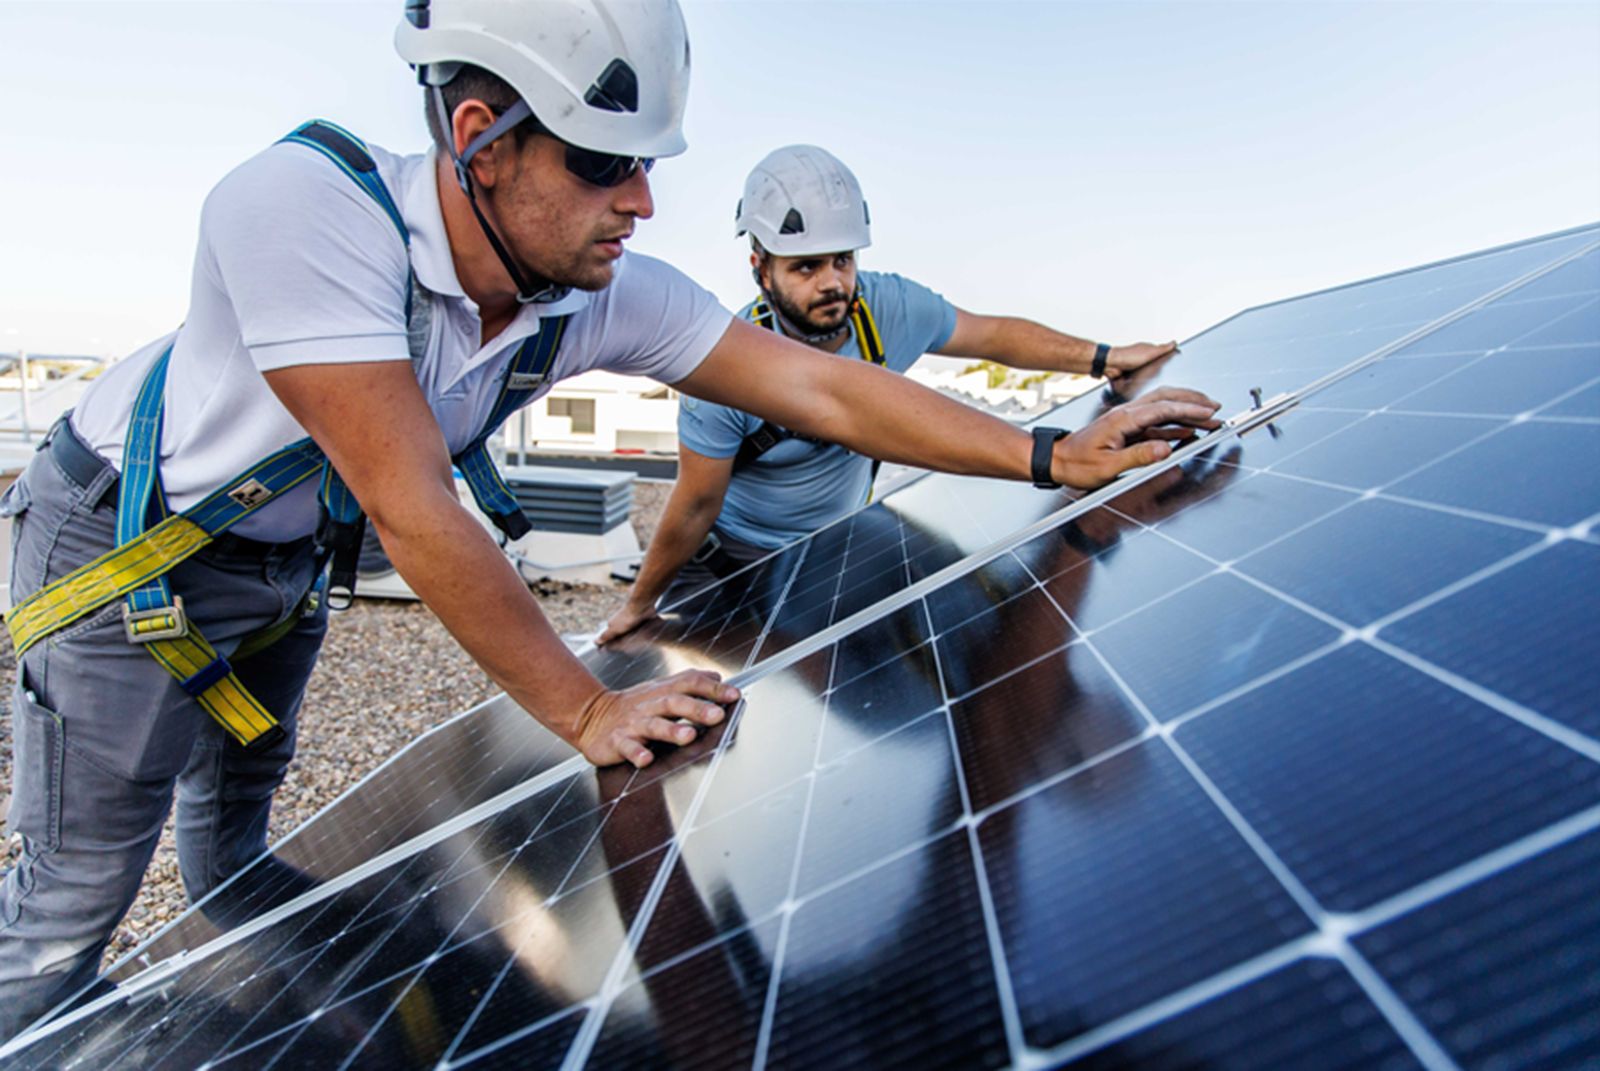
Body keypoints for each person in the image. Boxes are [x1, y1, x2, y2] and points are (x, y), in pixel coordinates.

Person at [0, 0, 1219, 1042]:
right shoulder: (308, 208)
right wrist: (588, 710)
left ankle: (292, 1029)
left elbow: (820, 388)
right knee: (71, 900)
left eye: (646, 167)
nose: (640, 200)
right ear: (479, 139)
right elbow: (410, 507)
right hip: (129, 556)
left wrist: (1047, 453)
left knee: (229, 849)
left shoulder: (585, 290)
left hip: (286, 570)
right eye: (601, 163)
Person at [600, 145, 1183, 642]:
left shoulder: (888, 309)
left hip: (834, 549)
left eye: (843, 260)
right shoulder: (725, 369)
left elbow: (992, 335)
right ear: (761, 268)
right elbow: (696, 504)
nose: (832, 282)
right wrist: (639, 603)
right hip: (732, 557)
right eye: (806, 267)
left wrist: (1103, 358)